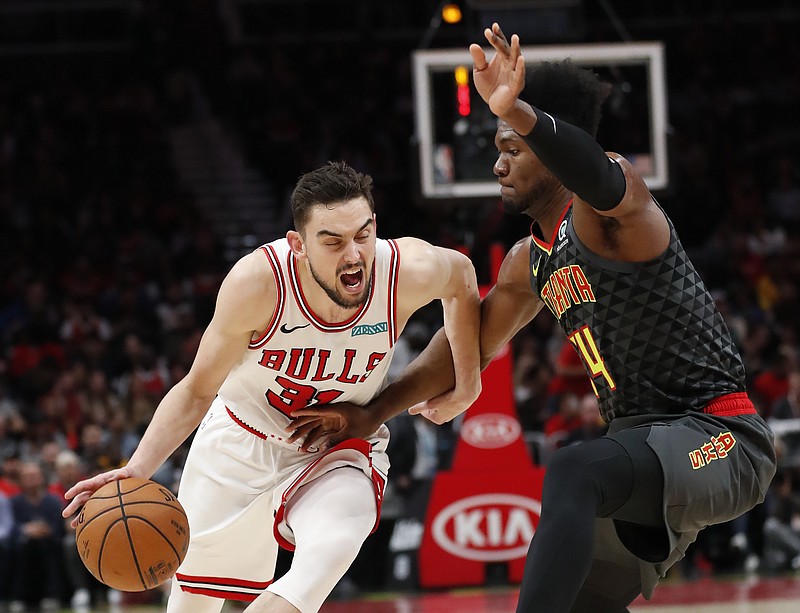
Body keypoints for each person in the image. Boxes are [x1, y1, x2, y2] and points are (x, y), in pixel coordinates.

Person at [289, 24, 777, 612]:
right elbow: (468, 344)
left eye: (511, 149)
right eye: (499, 149)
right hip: (641, 450)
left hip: (721, 438)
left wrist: (520, 112)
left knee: (573, 470)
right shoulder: (529, 262)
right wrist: (373, 410)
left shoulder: (618, 211)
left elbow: (595, 173)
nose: (498, 165)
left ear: (548, 149)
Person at [62, 160, 481, 613]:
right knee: (192, 604)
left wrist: (468, 384)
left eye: (363, 235)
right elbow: (196, 390)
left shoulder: (405, 270)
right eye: (333, 241)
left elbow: (461, 277)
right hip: (242, 440)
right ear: (298, 244)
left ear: (375, 226)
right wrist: (138, 467)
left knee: (335, 541)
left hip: (332, 444)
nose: (355, 254)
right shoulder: (258, 283)